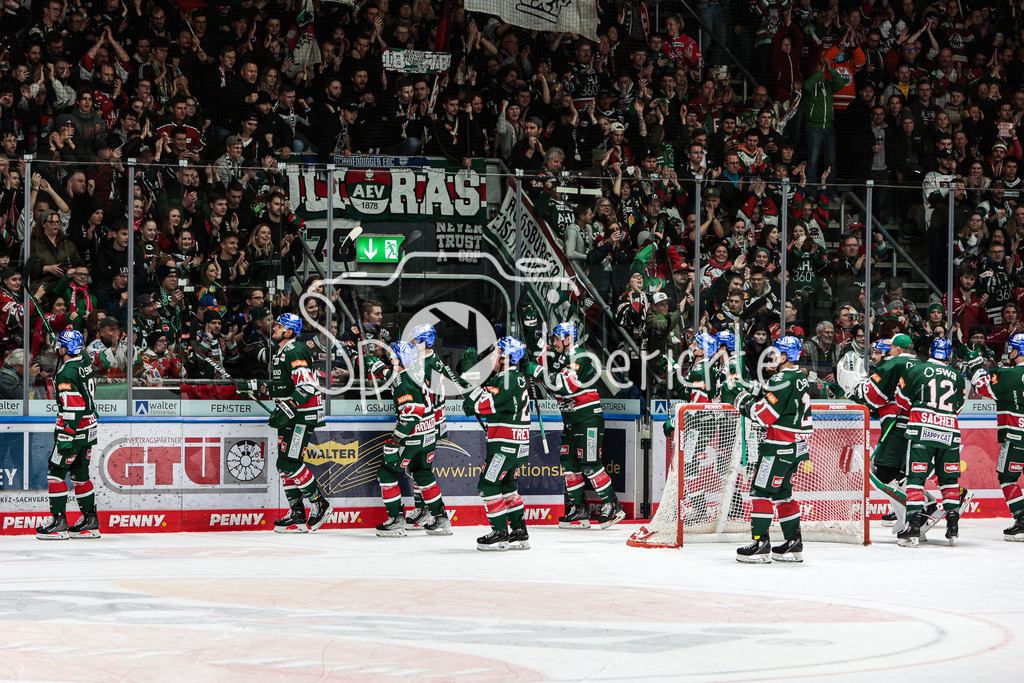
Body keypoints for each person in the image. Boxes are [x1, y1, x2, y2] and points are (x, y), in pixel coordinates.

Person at [526, 322, 625, 529]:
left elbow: (565, 384)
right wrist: (529, 324)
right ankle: (578, 510)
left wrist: (538, 372)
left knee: (589, 463)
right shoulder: (559, 355)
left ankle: (613, 505)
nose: (553, 343)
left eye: (556, 339)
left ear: (568, 338)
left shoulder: (580, 357)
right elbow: (539, 350)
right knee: (569, 463)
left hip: (587, 419)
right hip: (571, 421)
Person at [723, 336, 811, 563]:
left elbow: (764, 416)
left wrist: (739, 399)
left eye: (774, 353)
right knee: (783, 494)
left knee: (760, 492)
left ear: (784, 357)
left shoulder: (780, 379)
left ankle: (760, 544)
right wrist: (750, 387)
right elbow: (778, 398)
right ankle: (794, 542)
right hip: (797, 447)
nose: (769, 356)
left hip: (778, 447)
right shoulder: (800, 376)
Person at [258, 313, 331, 533]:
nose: (275, 327)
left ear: (289, 331)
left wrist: (288, 406)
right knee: (284, 464)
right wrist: (260, 388)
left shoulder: (295, 350)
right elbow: (286, 386)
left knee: (290, 462)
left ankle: (320, 503)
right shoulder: (282, 351)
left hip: (301, 416)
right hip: (291, 415)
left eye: (279, 325)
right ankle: (297, 512)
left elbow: (307, 387)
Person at [894, 337, 967, 547]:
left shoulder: (918, 370)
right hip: (949, 433)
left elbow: (901, 400)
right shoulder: (958, 376)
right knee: (949, 481)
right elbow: (958, 408)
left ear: (931, 352)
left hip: (922, 431)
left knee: (916, 480)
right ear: (949, 355)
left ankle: (913, 526)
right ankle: (953, 525)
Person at [374, 341, 450, 537]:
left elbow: (412, 413)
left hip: (412, 437)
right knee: (423, 473)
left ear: (399, 359)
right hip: (429, 433)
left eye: (393, 356)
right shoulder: (417, 372)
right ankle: (441, 518)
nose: (390, 358)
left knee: (386, 473)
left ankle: (396, 520)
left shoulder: (402, 379)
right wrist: (372, 362)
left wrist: (395, 440)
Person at [463, 336, 532, 551]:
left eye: (496, 353)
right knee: (506, 486)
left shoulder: (506, 380)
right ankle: (519, 531)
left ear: (506, 357)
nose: (492, 356)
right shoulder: (512, 378)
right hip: (516, 446)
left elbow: (481, 403)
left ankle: (500, 532)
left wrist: (469, 381)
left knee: (488, 485)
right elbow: (479, 403)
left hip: (504, 447)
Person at [848, 334, 918, 529]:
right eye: (874, 352)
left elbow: (873, 397)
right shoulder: (920, 365)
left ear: (893, 350)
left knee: (884, 473)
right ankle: (908, 510)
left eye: (880, 352)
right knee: (905, 471)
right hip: (919, 422)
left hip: (898, 423)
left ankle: (914, 511)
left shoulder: (891, 365)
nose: (876, 357)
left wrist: (853, 392)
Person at [36, 330, 100, 540]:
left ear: (64, 348)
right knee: (80, 475)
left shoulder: (67, 374)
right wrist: (62, 342)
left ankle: (59, 522)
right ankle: (90, 521)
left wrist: (65, 436)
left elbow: (73, 408)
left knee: (55, 473)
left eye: (59, 345)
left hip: (74, 432)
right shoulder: (86, 362)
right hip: (89, 429)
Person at [405, 323, 464, 530]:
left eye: (415, 340)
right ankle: (424, 509)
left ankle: (438, 514)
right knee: (418, 469)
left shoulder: (426, 364)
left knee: (422, 470)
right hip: (432, 421)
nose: (411, 343)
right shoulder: (430, 360)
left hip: (427, 423)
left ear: (425, 342)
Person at [968, 333, 1024, 540]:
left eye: (1012, 349)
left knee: (1007, 478)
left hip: (1017, 436)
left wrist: (975, 366)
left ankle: (1022, 519)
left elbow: (981, 385)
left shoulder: (1009, 375)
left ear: (1018, 350)